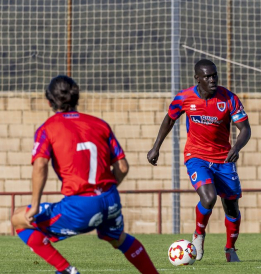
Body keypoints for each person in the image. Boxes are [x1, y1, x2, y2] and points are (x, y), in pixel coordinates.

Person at [11, 75, 158, 274]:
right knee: (118, 238)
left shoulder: (48, 128)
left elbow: (40, 166)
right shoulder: (100, 124)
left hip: (80, 206)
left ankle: (66, 270)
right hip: (110, 199)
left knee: (19, 219)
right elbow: (122, 167)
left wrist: (35, 205)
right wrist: (105, 191)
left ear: (49, 101)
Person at [147, 59, 251, 262]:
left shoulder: (229, 98)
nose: (212, 79)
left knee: (231, 207)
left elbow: (245, 129)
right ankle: (198, 235)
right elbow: (169, 119)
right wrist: (156, 147)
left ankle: (230, 249)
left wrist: (236, 147)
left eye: (215, 75)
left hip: (224, 159)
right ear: (197, 78)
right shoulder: (184, 98)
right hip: (196, 157)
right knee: (209, 197)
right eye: (207, 76)